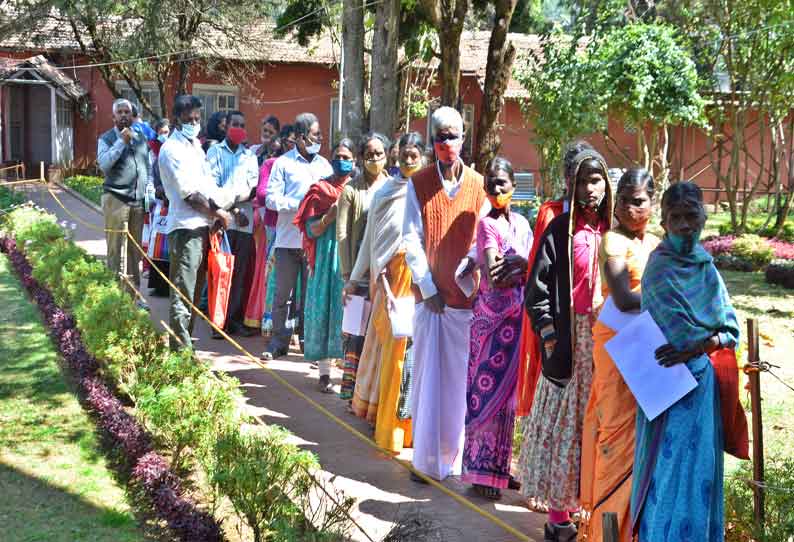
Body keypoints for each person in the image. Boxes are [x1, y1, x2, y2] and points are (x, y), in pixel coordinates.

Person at [631, 181, 738, 541]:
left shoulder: (707, 269)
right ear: (663, 222)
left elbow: (730, 330)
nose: (684, 226)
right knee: (667, 473)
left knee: (699, 475)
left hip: (701, 391)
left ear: (704, 218)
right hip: (668, 389)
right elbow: (672, 335)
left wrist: (704, 344)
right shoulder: (658, 268)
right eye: (675, 217)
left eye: (691, 216)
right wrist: (700, 344)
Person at [518, 148, 613, 542]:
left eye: (596, 180)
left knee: (599, 425)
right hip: (568, 345)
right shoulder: (560, 231)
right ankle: (558, 518)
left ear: (607, 184)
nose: (590, 189)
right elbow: (536, 290)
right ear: (570, 186)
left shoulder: (617, 232)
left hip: (607, 344)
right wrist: (550, 335)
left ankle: (588, 509)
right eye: (582, 181)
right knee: (564, 429)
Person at [403, 106, 487, 482]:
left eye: (453, 136)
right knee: (427, 382)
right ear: (432, 141)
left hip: (465, 302)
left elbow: (484, 238)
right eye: (440, 137)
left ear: (464, 138)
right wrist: (427, 286)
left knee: (457, 387)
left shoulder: (479, 185)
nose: (447, 143)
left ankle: (451, 461)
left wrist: (468, 270)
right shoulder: (418, 183)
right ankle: (424, 462)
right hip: (431, 303)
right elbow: (411, 239)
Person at [578, 168, 659, 541]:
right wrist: (669, 300)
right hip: (618, 348)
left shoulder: (660, 244)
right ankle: (604, 530)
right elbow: (624, 298)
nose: (628, 207)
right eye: (623, 198)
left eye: (638, 200)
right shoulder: (612, 241)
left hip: (652, 350)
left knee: (647, 439)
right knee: (614, 434)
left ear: (653, 203)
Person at [348, 131, 426, 452]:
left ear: (423, 156)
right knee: (389, 355)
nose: (409, 160)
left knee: (412, 358)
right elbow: (370, 240)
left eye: (414, 155)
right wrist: (355, 278)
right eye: (404, 155)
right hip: (388, 284)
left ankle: (411, 429)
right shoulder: (385, 193)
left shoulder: (431, 193)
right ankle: (387, 425)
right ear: (396, 156)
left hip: (422, 286)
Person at [463, 157, 531, 500]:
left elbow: (533, 266)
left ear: (514, 187)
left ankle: (500, 470)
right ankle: (480, 472)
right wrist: (522, 267)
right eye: (491, 183)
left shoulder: (522, 223)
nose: (496, 189)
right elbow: (493, 274)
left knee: (508, 400)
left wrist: (523, 265)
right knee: (484, 393)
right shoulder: (486, 225)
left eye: (502, 182)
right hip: (490, 321)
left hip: (518, 321)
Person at [515, 140, 596, 421]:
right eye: (577, 177)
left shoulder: (605, 222)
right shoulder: (552, 215)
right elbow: (540, 268)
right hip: (556, 315)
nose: (586, 187)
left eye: (592, 179)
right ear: (567, 178)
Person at [158, 95, 234, 350]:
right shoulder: (172, 150)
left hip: (203, 228)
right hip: (185, 229)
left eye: (197, 118)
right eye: (188, 118)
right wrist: (218, 214)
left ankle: (185, 349)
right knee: (183, 294)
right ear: (177, 119)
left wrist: (222, 209)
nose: (194, 122)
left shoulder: (195, 146)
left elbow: (207, 187)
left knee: (194, 293)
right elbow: (190, 194)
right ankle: (180, 352)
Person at [262, 112, 333, 360]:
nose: (320, 138)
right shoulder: (283, 163)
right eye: (316, 135)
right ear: (302, 138)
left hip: (314, 242)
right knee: (282, 295)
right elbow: (270, 199)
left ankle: (306, 343)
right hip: (287, 241)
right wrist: (301, 205)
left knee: (308, 296)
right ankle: (278, 342)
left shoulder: (324, 165)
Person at [295, 139, 355, 392]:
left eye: (347, 157)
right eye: (338, 156)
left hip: (351, 260)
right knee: (323, 312)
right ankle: (323, 374)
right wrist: (329, 217)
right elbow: (310, 229)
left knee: (350, 317)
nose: (342, 160)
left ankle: (351, 376)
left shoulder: (360, 191)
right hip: (325, 257)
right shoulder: (319, 190)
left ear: (355, 161)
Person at [338, 132, 391, 416]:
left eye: (379, 153)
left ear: (388, 156)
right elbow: (343, 234)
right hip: (357, 275)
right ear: (362, 157)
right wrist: (349, 275)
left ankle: (374, 394)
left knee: (379, 332)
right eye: (369, 154)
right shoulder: (351, 190)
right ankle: (353, 394)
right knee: (356, 336)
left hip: (384, 275)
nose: (374, 159)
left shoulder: (392, 187)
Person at [206, 110, 260, 337]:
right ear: (225, 126)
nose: (238, 128)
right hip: (223, 223)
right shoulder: (214, 151)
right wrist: (234, 208)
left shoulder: (249, 156)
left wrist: (234, 202)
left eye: (242, 125)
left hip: (245, 225)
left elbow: (253, 187)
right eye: (234, 124)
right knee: (220, 272)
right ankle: (218, 322)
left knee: (238, 275)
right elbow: (213, 185)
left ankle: (234, 320)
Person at [97, 98, 151, 309]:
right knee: (115, 250)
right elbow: (104, 165)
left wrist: (149, 194)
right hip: (115, 199)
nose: (123, 115)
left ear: (132, 115)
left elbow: (146, 166)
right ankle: (114, 297)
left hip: (137, 201)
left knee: (134, 252)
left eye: (127, 112)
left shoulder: (141, 138)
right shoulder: (106, 138)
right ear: (113, 117)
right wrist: (122, 142)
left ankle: (134, 297)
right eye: (119, 112)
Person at [146, 118, 172, 297]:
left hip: (175, 205)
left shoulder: (173, 152)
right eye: (161, 133)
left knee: (170, 246)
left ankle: (169, 284)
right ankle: (158, 284)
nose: (164, 136)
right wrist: (156, 193)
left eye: (167, 132)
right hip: (160, 204)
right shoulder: (153, 153)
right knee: (158, 245)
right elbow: (151, 177)